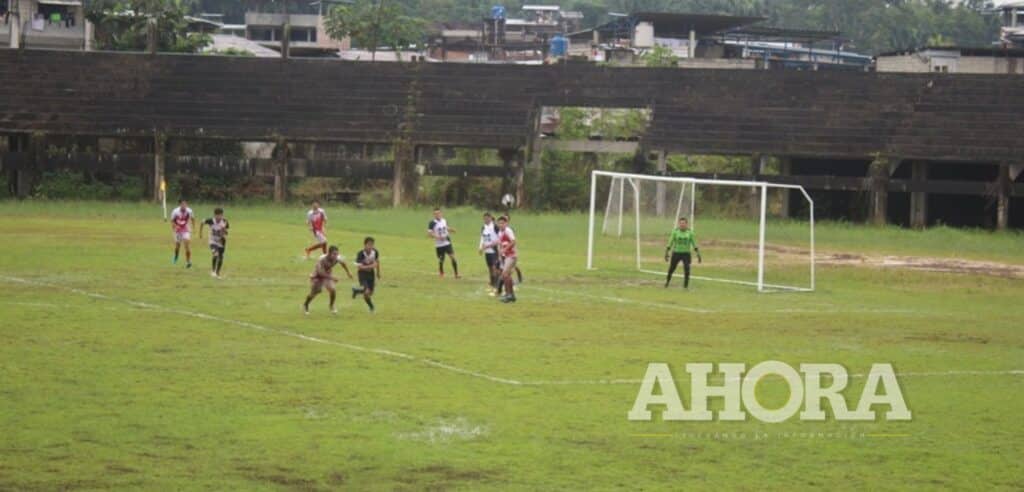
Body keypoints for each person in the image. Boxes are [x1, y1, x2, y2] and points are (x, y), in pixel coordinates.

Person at [304, 245, 353, 315]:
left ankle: (331, 306)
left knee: (332, 289)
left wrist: (348, 272)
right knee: (315, 292)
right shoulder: (322, 260)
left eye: (337, 254)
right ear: (329, 253)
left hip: (327, 274)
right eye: (334, 254)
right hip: (317, 276)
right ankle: (306, 304)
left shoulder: (336, 258)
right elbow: (320, 273)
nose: (336, 256)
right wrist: (332, 278)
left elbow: (343, 263)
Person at [486, 215, 518, 303]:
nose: (501, 225)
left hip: (512, 256)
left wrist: (505, 249)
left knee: (504, 274)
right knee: (506, 275)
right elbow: (498, 241)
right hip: (507, 256)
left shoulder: (508, 230)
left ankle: (509, 295)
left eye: (503, 223)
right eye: (499, 223)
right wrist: (489, 245)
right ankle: (511, 295)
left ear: (506, 223)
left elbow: (513, 241)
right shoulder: (500, 232)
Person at [664, 217, 702, 289]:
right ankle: (667, 282)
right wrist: (666, 252)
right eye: (681, 223)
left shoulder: (690, 232)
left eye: (684, 223)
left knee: (687, 270)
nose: (682, 225)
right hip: (676, 253)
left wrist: (698, 254)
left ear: (686, 224)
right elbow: (670, 242)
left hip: (686, 254)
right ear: (679, 224)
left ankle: (685, 286)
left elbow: (694, 243)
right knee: (671, 269)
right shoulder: (675, 232)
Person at [351, 237, 381, 313]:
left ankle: (356, 291)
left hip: (371, 274)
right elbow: (359, 267)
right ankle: (372, 307)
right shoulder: (360, 254)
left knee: (370, 292)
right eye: (369, 245)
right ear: (365, 245)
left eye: (372, 245)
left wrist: (378, 272)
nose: (370, 247)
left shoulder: (375, 252)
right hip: (362, 274)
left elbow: (377, 262)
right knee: (367, 292)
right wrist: (370, 267)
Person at [427, 208, 459, 278]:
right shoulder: (432, 223)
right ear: (434, 215)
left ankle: (456, 274)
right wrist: (438, 237)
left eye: (438, 213)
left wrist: (451, 230)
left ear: (441, 213)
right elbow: (429, 234)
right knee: (441, 259)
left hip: (447, 242)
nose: (437, 215)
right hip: (439, 244)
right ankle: (441, 273)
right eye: (435, 214)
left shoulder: (444, 220)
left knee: (453, 257)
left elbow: (446, 228)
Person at [199, 207, 230, 279]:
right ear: (215, 215)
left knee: (221, 257)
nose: (219, 217)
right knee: (215, 254)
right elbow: (202, 222)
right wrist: (200, 233)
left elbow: (226, 232)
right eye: (217, 215)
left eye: (221, 215)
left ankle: (218, 272)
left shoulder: (225, 221)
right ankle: (213, 271)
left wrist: (223, 231)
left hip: (221, 241)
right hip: (212, 240)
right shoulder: (210, 220)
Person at [478, 212, 500, 294]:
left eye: (487, 218)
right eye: (484, 218)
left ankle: (497, 286)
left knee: (495, 269)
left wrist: (493, 245)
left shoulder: (495, 226)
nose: (486, 220)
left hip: (494, 251)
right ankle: (492, 284)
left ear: (491, 218)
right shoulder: (483, 227)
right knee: (490, 269)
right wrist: (480, 248)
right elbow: (482, 238)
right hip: (487, 252)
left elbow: (500, 237)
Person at [170, 199, 196, 268]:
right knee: (177, 246)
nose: (184, 206)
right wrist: (175, 226)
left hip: (186, 230)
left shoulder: (189, 211)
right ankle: (176, 256)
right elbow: (172, 221)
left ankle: (188, 261)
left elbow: (193, 219)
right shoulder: (175, 211)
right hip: (177, 231)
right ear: (180, 205)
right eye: (182, 204)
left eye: (185, 204)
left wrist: (193, 227)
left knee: (187, 246)